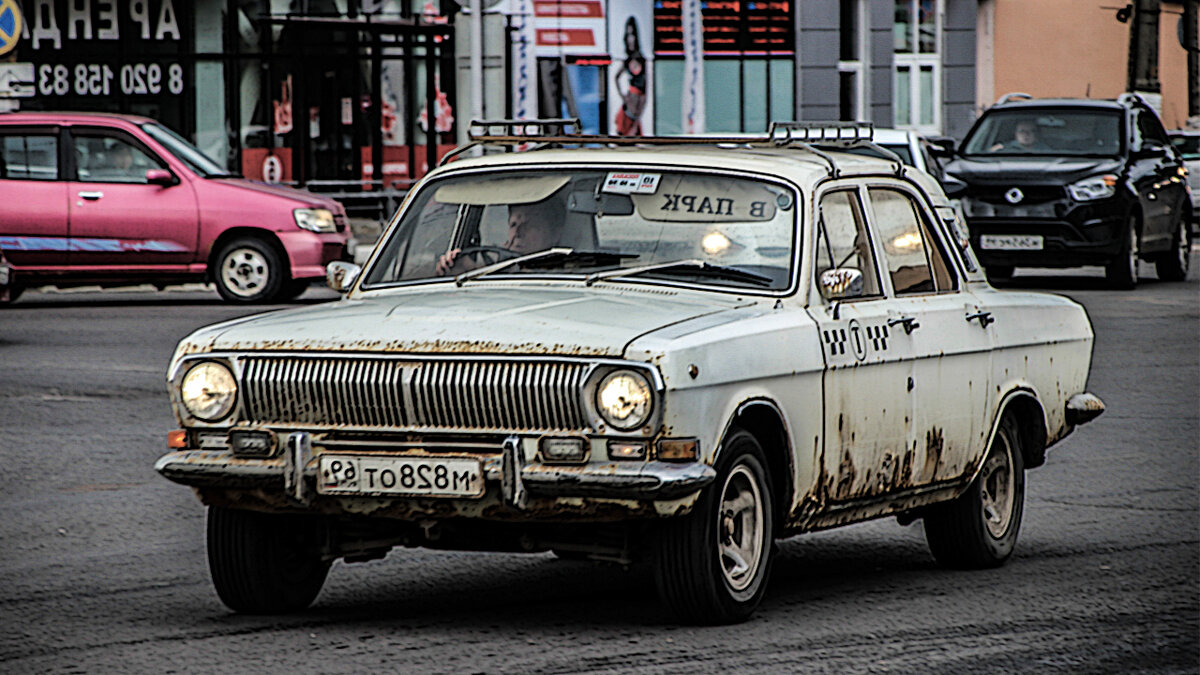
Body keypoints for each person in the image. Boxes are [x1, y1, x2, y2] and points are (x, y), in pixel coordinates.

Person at [435, 199, 562, 276]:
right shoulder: (495, 265)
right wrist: (454, 267)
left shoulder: (571, 271)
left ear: (553, 232)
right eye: (513, 224)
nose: (518, 233)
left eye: (529, 225)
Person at [614, 17, 647, 137]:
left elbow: (646, 82)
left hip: (638, 99)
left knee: (632, 128)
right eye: (628, 36)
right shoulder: (627, 60)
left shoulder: (642, 59)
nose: (630, 40)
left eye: (632, 35)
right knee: (625, 128)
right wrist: (622, 95)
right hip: (631, 98)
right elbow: (616, 77)